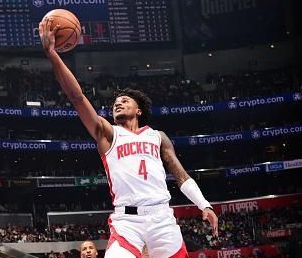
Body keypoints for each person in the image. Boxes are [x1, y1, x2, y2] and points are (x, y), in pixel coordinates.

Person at [39, 18, 218, 258]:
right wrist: (52, 54)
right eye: (115, 102)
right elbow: (77, 97)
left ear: (139, 110)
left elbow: (181, 175)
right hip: (127, 221)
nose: (118, 103)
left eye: (125, 101)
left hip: (162, 218)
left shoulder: (157, 136)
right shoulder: (108, 132)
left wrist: (203, 204)